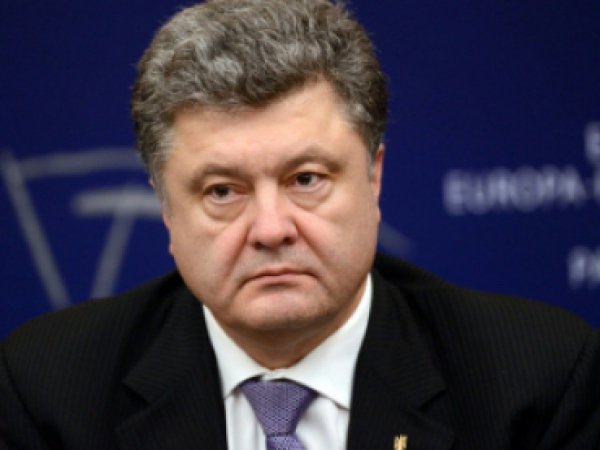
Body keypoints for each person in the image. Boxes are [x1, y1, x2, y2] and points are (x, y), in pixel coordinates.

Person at [1, 0, 599, 448]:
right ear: (165, 207)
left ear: (373, 178)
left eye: (306, 179)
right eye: (222, 191)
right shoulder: (50, 391)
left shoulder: (534, 382)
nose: (270, 229)